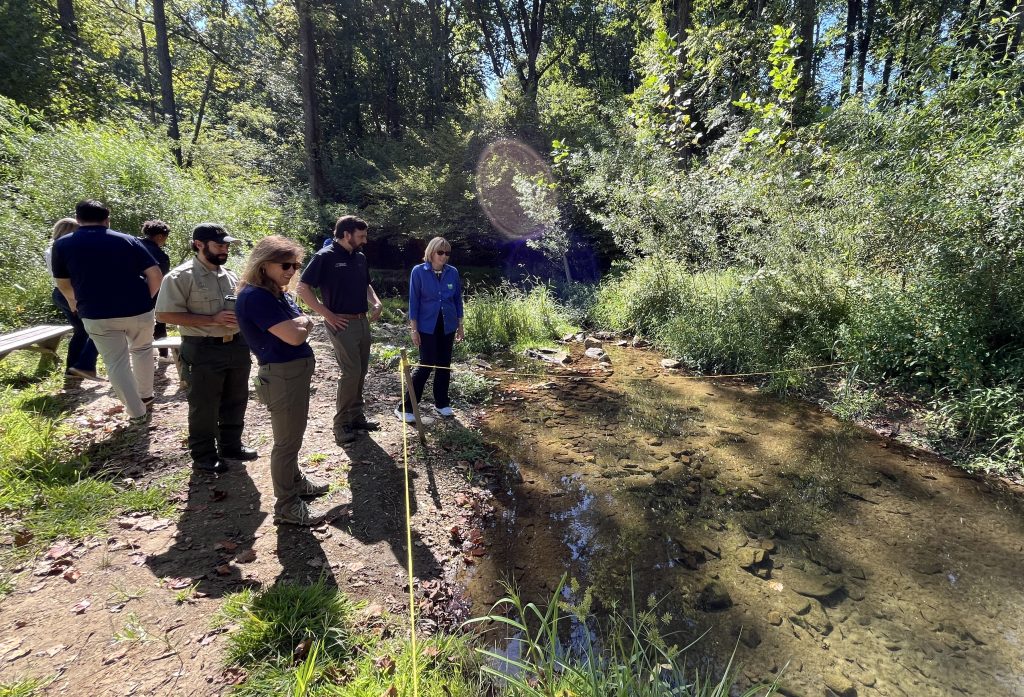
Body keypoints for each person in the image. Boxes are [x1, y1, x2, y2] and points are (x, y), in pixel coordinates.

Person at [235, 236, 328, 525]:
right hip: (281, 374)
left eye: (296, 265)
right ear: (264, 265)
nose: (292, 270)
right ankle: (287, 504)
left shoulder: (277, 293)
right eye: (285, 264)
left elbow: (300, 321)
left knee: (294, 435)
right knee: (286, 442)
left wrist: (302, 323)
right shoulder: (256, 297)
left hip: (294, 372)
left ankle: (295, 481)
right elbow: (294, 333)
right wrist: (303, 324)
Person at [156, 223, 256, 473]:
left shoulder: (230, 275)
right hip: (202, 349)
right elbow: (165, 314)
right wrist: (212, 320)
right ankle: (204, 455)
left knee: (236, 399)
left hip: (236, 345)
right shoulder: (180, 277)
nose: (224, 250)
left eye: (226, 245)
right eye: (219, 245)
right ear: (199, 245)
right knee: (204, 404)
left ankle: (231, 445)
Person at [52, 200, 161, 423]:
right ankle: (146, 396)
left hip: (95, 313)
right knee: (142, 350)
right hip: (138, 310)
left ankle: (136, 412)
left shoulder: (62, 245)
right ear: (107, 219)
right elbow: (155, 274)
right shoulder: (127, 240)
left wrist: (74, 301)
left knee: (116, 361)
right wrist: (146, 299)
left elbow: (62, 282)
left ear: (78, 219)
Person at [297, 215, 383, 445]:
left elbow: (366, 284)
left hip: (362, 320)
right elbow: (303, 288)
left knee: (361, 370)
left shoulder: (360, 257)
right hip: (340, 323)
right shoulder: (325, 257)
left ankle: (356, 416)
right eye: (361, 236)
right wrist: (327, 315)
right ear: (347, 234)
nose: (364, 240)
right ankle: (340, 423)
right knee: (351, 371)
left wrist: (376, 302)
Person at [396, 237, 464, 422]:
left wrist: (460, 326)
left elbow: (458, 300)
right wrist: (414, 329)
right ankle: (405, 406)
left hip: (447, 324)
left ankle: (441, 403)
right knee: (426, 363)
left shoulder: (452, 272)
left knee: (444, 365)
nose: (444, 256)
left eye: (447, 253)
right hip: (426, 325)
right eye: (440, 252)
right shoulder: (418, 271)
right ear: (431, 252)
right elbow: (414, 301)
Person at [44, 217, 100, 382]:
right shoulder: (64, 249)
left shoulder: (52, 249)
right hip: (71, 293)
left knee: (82, 331)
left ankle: (73, 371)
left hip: (60, 292)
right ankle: (82, 366)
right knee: (97, 329)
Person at [138, 220, 172, 358]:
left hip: (128, 292)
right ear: (159, 236)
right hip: (152, 293)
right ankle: (163, 355)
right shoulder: (160, 256)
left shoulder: (132, 245)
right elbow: (160, 278)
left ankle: (143, 352)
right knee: (159, 323)